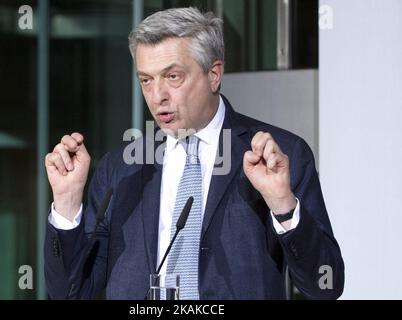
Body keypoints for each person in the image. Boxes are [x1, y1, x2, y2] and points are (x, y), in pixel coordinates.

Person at [44, 7, 344, 300]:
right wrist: (67, 205)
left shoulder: (278, 155)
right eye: (146, 80)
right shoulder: (120, 168)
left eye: (172, 77)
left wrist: (283, 205)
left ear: (214, 74)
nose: (157, 96)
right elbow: (69, 292)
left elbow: (324, 286)